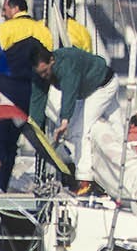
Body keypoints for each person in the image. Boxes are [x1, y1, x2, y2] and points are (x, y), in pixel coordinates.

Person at [0, 0, 53, 190]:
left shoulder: (3, 29)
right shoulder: (43, 30)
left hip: (3, 90)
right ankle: (4, 183)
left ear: (14, 8)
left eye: (5, 9)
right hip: (29, 91)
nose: (2, 13)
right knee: (13, 142)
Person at [30, 44, 120, 195]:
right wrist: (35, 128)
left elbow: (69, 91)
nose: (44, 76)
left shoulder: (66, 65)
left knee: (81, 130)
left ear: (52, 60)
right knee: (116, 130)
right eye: (40, 73)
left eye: (45, 72)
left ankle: (85, 180)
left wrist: (65, 120)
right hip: (88, 90)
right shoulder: (42, 74)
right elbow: (38, 99)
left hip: (103, 85)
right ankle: (112, 177)